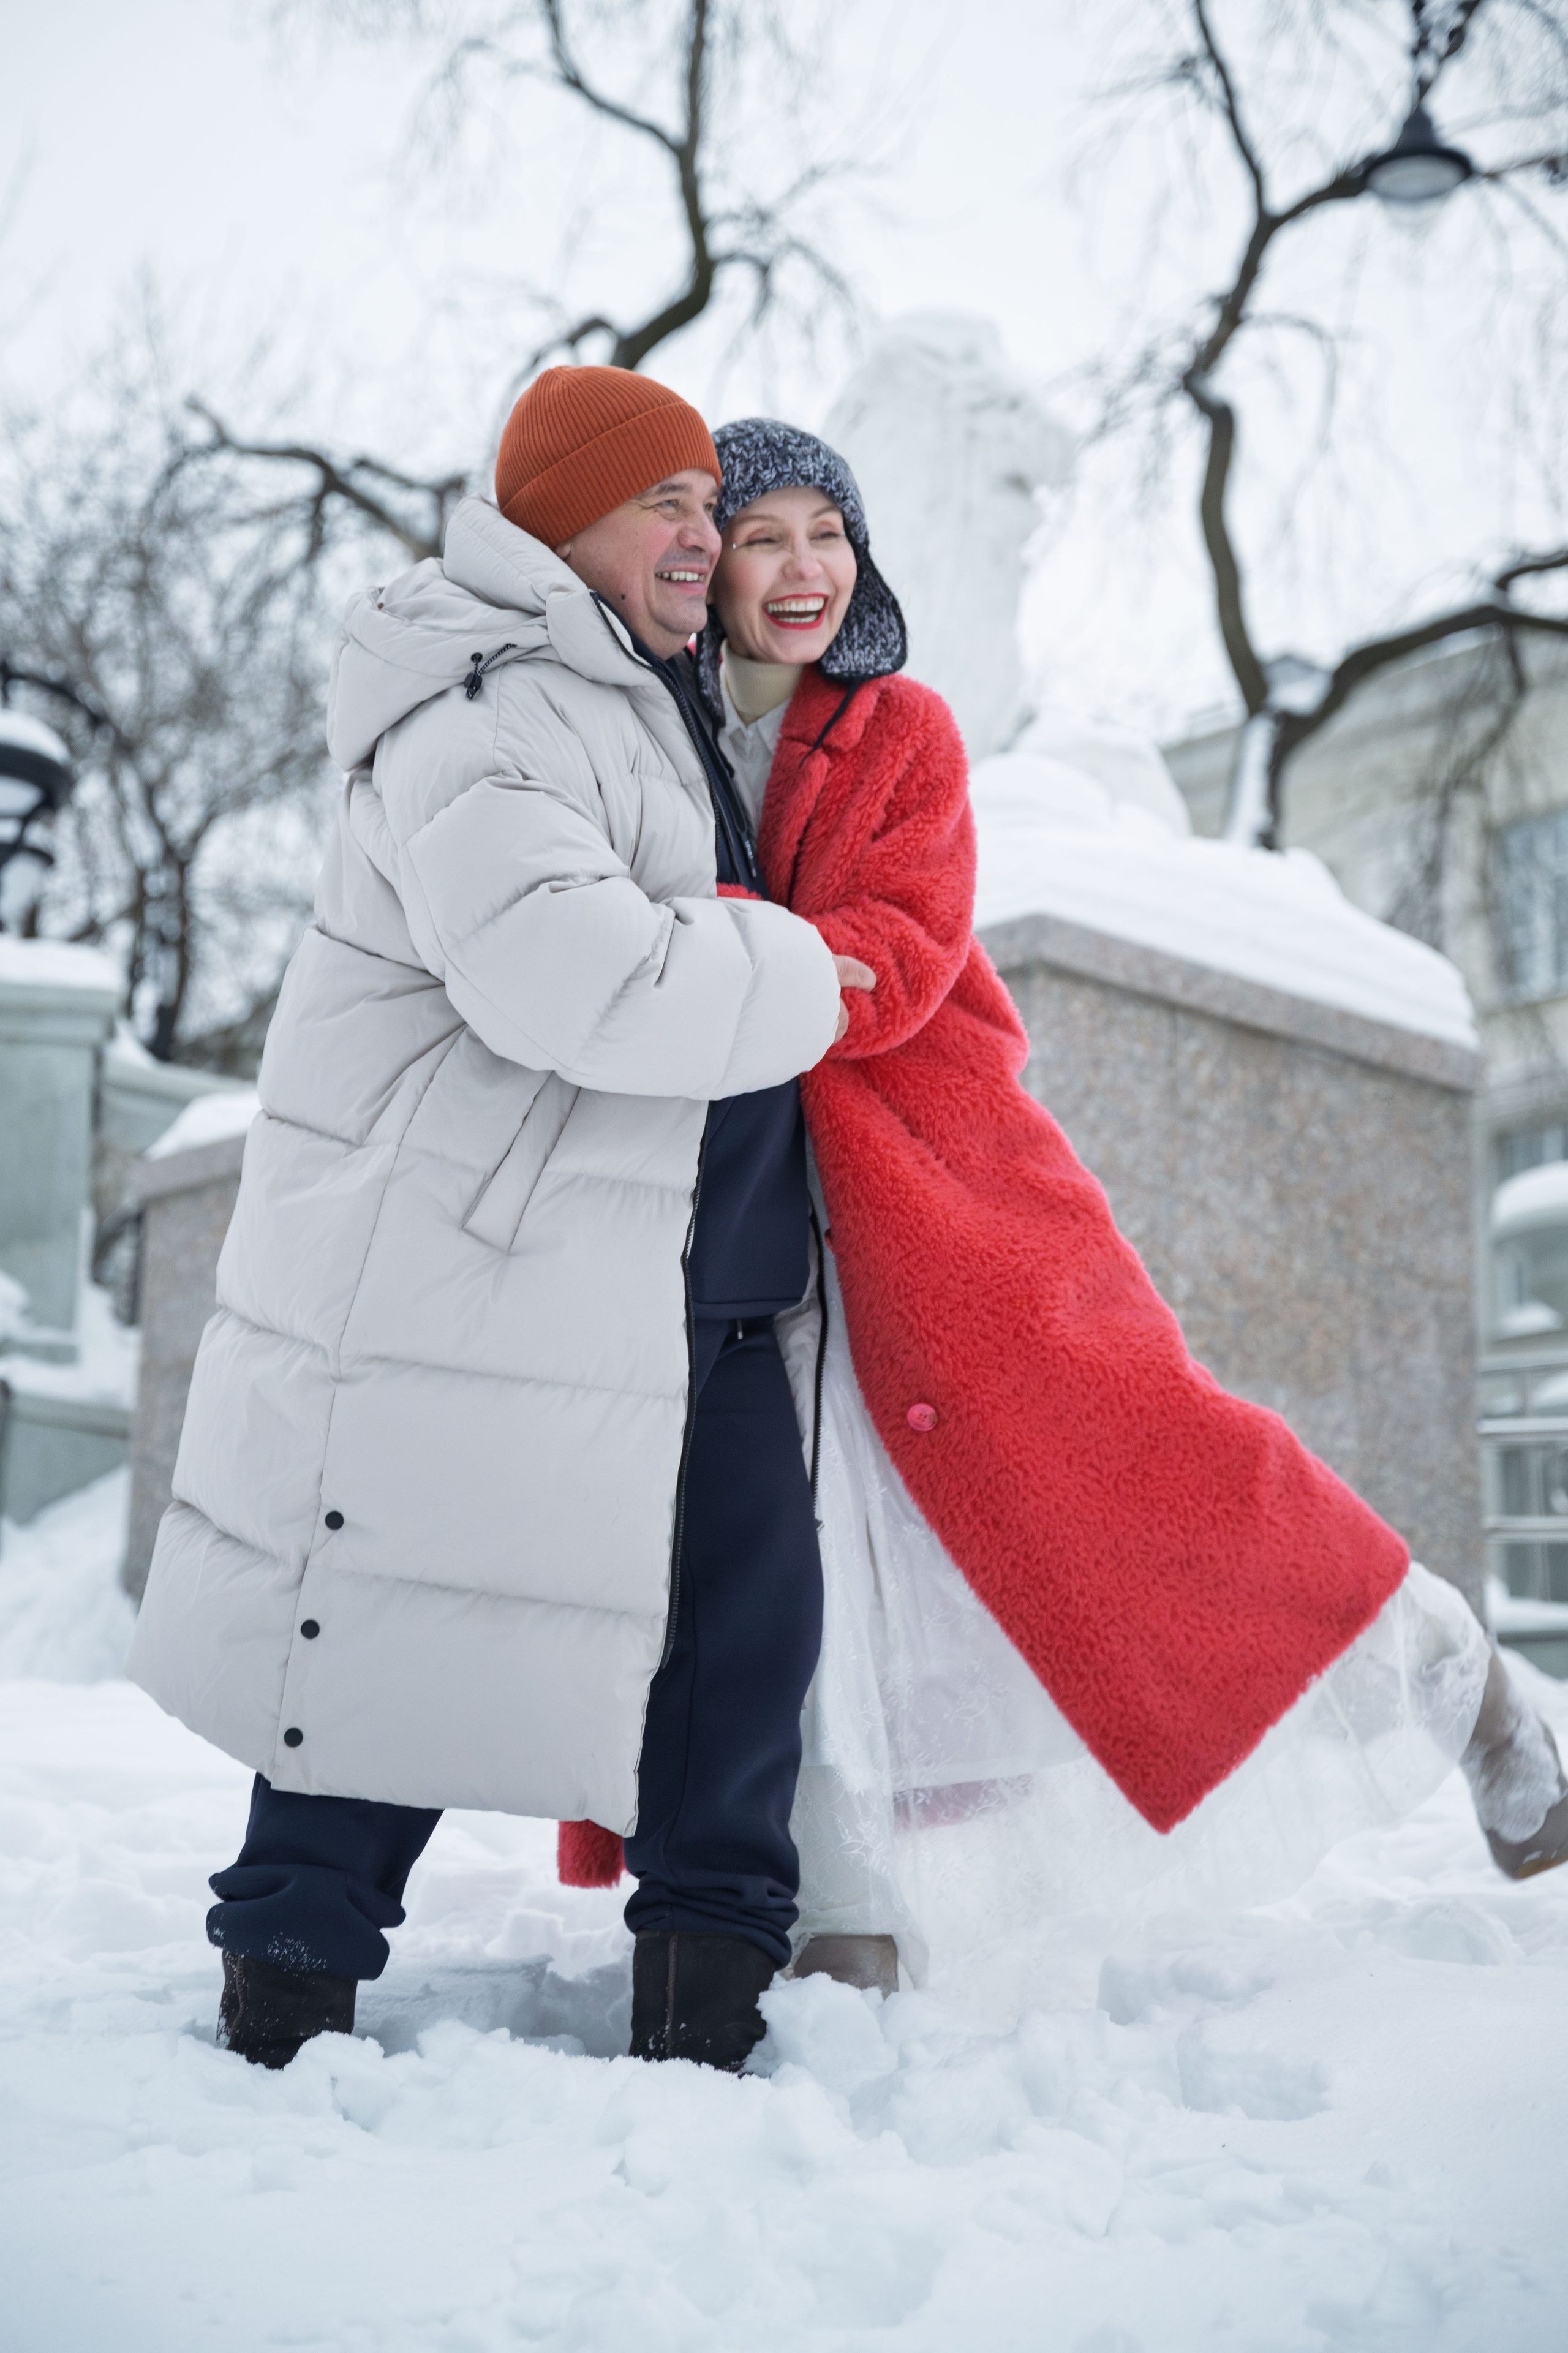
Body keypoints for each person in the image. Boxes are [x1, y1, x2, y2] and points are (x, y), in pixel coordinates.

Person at [560, 415, 1568, 2005]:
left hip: (946, 1204)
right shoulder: (648, 737)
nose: (805, 567)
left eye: (831, 532)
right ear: (709, 561)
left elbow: (889, 960)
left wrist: (713, 943)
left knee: (1181, 1492)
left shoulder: (903, 733)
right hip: (749, 1231)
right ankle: (849, 1902)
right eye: (768, 537)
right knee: (788, 1572)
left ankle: (1458, 1678)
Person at [128, 366, 874, 2072]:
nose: (701, 535)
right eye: (662, 502)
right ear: (557, 519)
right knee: (399, 1602)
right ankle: (291, 1974)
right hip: (495, 1265)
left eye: (710, 501)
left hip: (706, 1258)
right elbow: (578, 976)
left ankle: (708, 1996)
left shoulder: (641, 688)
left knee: (742, 1644)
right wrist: (802, 963)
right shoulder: (482, 702)